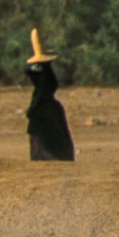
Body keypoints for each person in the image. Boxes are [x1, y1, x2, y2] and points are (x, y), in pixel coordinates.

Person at [24, 28, 75, 161]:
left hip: (42, 110)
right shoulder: (46, 72)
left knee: (43, 144)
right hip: (47, 109)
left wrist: (32, 109)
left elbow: (40, 87)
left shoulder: (43, 74)